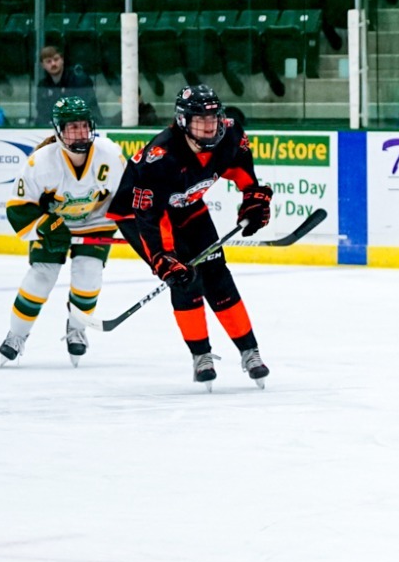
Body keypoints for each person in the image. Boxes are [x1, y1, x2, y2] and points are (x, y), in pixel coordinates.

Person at [105, 85, 274, 386]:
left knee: (217, 275)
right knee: (184, 278)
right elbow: (150, 217)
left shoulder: (231, 135)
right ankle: (201, 356)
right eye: (200, 121)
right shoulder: (161, 157)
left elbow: (244, 174)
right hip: (140, 216)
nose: (209, 127)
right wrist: (163, 258)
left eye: (213, 119)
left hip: (188, 206)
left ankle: (250, 352)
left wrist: (252, 199)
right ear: (183, 121)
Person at [0, 95, 128, 364]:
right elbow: (17, 208)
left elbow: (127, 196)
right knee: (42, 276)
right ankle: (16, 335)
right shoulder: (41, 163)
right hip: (54, 223)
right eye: (72, 127)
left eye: (83, 126)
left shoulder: (110, 155)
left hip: (96, 222)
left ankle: (77, 330)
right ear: (59, 131)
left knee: (89, 274)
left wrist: (138, 228)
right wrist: (47, 225)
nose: (80, 133)